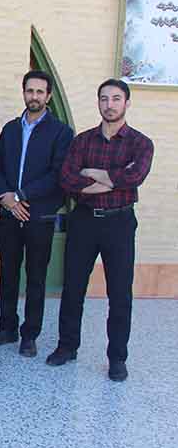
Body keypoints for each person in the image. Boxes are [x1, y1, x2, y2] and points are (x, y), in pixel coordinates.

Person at [47, 79, 154, 382]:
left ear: (127, 103)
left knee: (119, 293)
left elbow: (136, 176)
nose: (110, 104)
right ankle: (67, 346)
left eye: (116, 98)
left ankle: (117, 358)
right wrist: (114, 180)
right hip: (83, 221)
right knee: (73, 288)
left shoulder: (141, 143)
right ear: (98, 103)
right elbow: (67, 179)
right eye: (104, 98)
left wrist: (94, 174)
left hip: (119, 223)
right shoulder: (82, 141)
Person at [0, 71, 73, 357]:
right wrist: (7, 197)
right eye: (29, 91)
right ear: (23, 92)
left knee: (36, 277)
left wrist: (20, 196)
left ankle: (30, 334)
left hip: (39, 216)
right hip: (9, 214)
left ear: (48, 95)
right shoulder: (10, 129)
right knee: (7, 274)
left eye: (39, 91)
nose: (34, 96)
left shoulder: (61, 132)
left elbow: (57, 174)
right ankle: (7, 328)